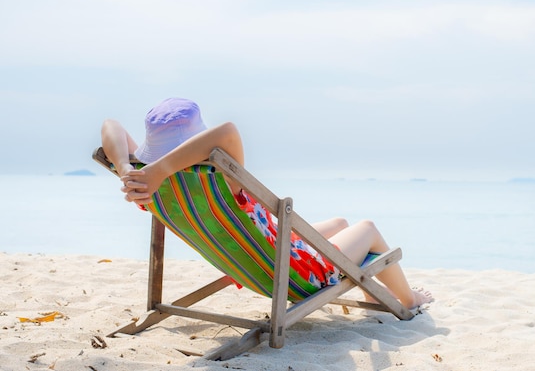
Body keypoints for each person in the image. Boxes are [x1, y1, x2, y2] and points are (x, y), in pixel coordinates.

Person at [101, 97, 433, 310]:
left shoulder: (147, 187)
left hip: (257, 257)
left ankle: (370, 289)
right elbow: (227, 131)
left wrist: (129, 167)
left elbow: (110, 125)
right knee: (368, 229)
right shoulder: (222, 181)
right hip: (295, 275)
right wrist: (161, 168)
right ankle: (408, 299)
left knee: (340, 224)